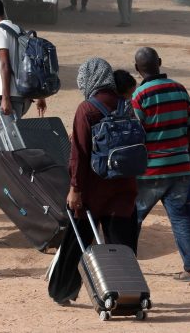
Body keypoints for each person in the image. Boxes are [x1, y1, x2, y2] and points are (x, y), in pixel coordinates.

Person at [48, 57, 138, 305]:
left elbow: (79, 153)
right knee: (122, 246)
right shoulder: (127, 106)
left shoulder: (87, 109)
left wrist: (75, 189)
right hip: (124, 188)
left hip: (92, 191)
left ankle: (62, 290)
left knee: (76, 242)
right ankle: (128, 293)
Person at [132, 47, 190, 283]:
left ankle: (126, 266)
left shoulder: (139, 96)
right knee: (179, 216)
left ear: (137, 69)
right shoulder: (179, 89)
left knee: (133, 217)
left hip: (151, 171)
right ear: (160, 63)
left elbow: (136, 136)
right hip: (181, 167)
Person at [0, 0, 47, 124]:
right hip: (25, 96)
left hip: (12, 96)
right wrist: (41, 96)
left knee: (4, 139)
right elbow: (33, 62)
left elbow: (4, 65)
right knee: (13, 138)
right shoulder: (18, 29)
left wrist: (5, 98)